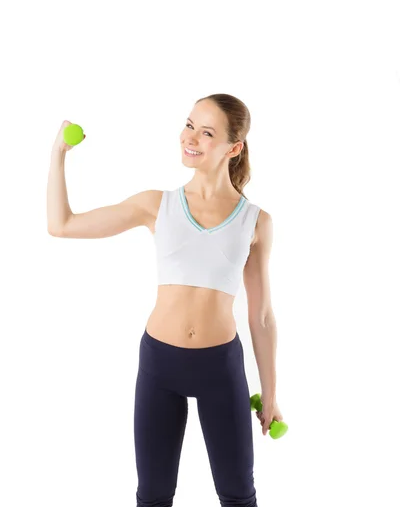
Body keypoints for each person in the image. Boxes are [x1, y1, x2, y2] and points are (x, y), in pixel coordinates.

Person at [47, 93, 282, 507]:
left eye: (206, 132)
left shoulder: (255, 221)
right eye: (189, 124)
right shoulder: (157, 204)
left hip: (220, 369)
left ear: (234, 147)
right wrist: (58, 155)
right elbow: (62, 225)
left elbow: (261, 317)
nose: (190, 137)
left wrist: (272, 392)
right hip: (160, 364)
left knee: (238, 495)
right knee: (153, 496)